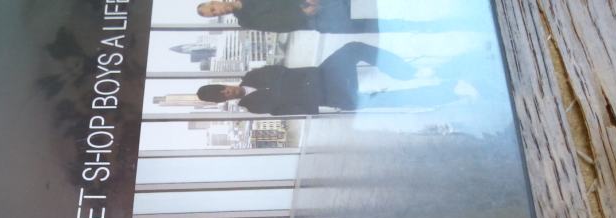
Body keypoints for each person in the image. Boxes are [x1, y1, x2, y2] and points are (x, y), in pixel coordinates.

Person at [195, 42, 464, 114]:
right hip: (328, 94)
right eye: (222, 96)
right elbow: (287, 102)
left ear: (224, 84)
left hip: (323, 74)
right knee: (388, 100)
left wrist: (285, 88)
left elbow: (281, 73)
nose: (227, 92)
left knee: (352, 48)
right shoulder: (252, 105)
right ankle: (450, 92)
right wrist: (286, 88)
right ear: (223, 101)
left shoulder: (252, 75)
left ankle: (408, 72)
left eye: (223, 89)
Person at [196, 0, 458, 34]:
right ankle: (431, 26)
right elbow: (279, 25)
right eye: (213, 14)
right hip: (315, 19)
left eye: (213, 8)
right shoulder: (246, 21)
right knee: (375, 24)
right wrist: (302, 11)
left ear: (216, 1)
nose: (218, 11)